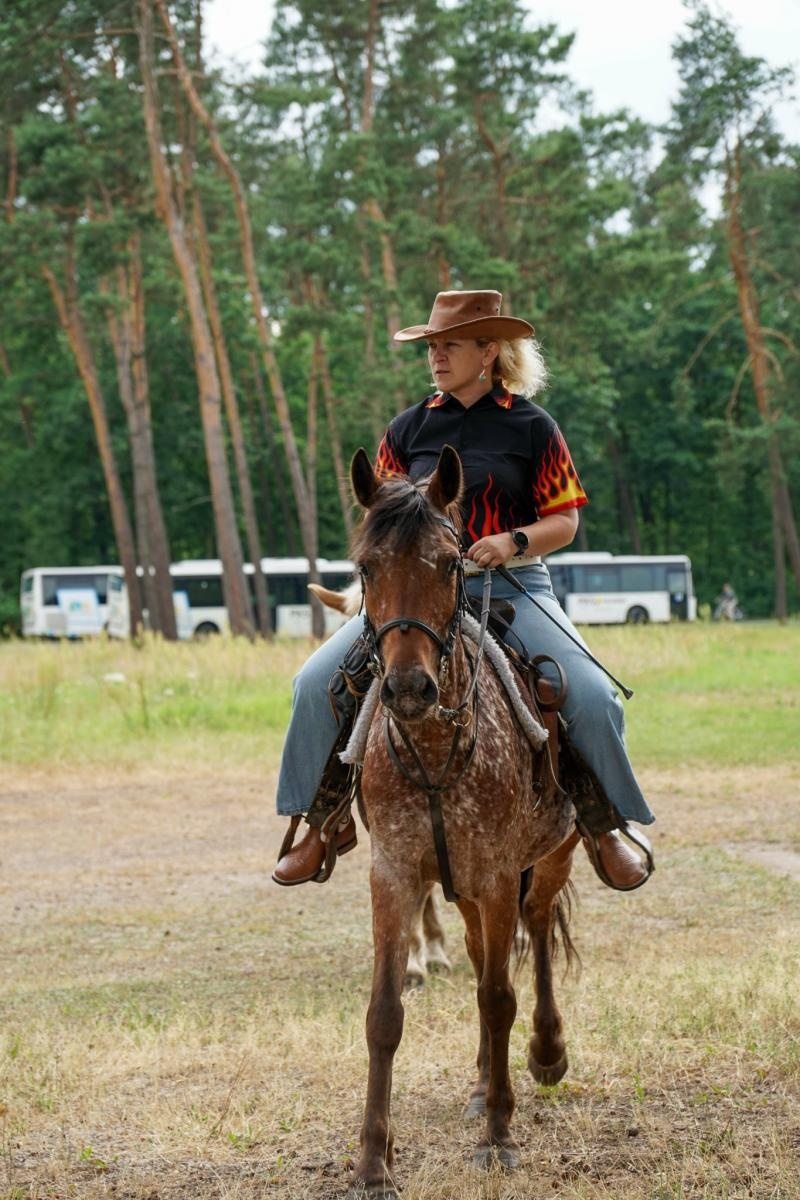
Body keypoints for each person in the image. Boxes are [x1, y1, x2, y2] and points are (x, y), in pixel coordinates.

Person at [272, 290, 654, 891]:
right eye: (432, 346)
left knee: (591, 694)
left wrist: (512, 542)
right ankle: (319, 822)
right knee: (315, 682)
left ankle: (605, 824)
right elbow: (383, 520)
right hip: (416, 592)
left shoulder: (534, 427)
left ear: (489, 351)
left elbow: (566, 521)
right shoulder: (407, 428)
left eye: (450, 345)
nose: (436, 356)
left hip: (513, 583)